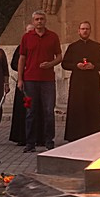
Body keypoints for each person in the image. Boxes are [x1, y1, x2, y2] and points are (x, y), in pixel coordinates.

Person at [17, 10, 62, 152]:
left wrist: (51, 64)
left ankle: (49, 141)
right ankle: (30, 143)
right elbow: (22, 58)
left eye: (42, 19)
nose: (39, 21)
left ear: (45, 20)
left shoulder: (53, 36)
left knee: (49, 111)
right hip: (30, 80)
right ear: (33, 21)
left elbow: (59, 56)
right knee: (31, 111)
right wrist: (20, 79)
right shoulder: (27, 37)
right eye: (36, 19)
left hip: (48, 80)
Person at [62, 21, 100, 141]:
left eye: (87, 29)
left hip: (92, 82)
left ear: (90, 31)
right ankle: (75, 135)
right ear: (79, 31)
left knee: (93, 108)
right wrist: (76, 65)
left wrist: (93, 66)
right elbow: (64, 64)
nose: (85, 31)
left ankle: (95, 134)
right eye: (82, 29)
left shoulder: (97, 46)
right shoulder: (73, 47)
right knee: (77, 107)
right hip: (77, 82)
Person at [9, 24, 44, 145]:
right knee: (22, 110)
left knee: (37, 109)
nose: (30, 33)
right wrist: (23, 67)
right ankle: (21, 137)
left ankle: (38, 137)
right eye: (28, 31)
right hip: (23, 81)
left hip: (35, 81)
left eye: (32, 31)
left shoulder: (38, 46)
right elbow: (14, 64)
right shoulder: (20, 47)